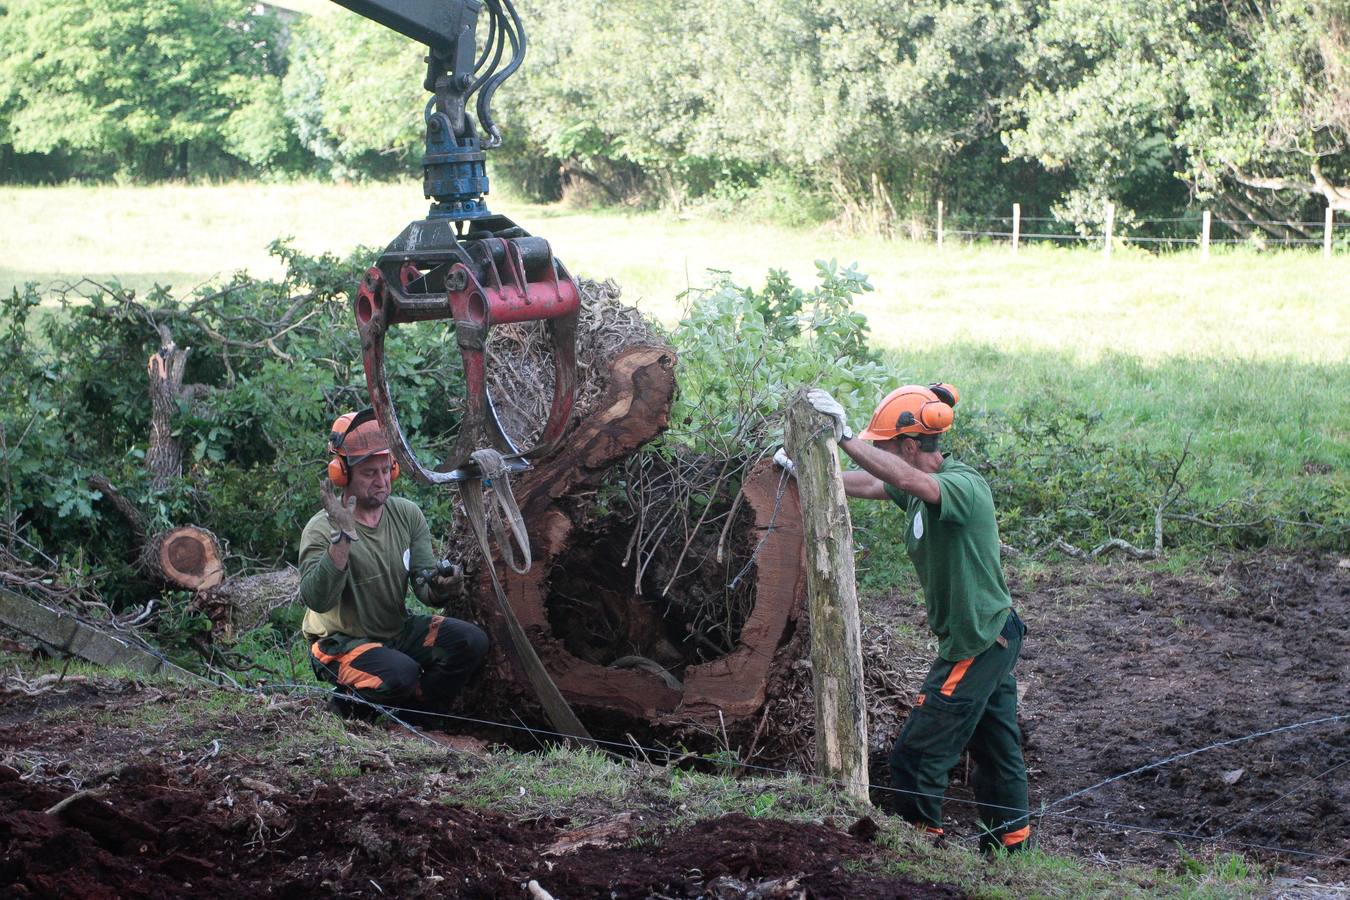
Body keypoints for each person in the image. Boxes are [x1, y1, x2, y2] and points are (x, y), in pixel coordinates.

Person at [780, 384, 1030, 855]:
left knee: (916, 754)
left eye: (884, 446)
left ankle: (917, 848)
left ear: (910, 446)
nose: (876, 453)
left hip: (978, 642)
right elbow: (877, 483)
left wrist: (847, 437)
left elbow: (913, 482)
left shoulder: (961, 486)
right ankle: (1011, 848)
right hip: (989, 635)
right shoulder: (915, 488)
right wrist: (804, 471)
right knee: (997, 750)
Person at [298, 409, 489, 723]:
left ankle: (416, 721)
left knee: (471, 642)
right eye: (370, 473)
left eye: (386, 470)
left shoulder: (407, 514)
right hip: (339, 642)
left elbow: (425, 585)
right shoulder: (320, 528)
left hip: (396, 631)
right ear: (342, 474)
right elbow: (316, 599)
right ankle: (347, 707)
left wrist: (443, 587)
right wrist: (343, 538)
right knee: (401, 673)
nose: (382, 481)